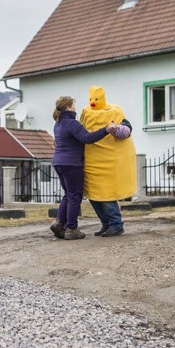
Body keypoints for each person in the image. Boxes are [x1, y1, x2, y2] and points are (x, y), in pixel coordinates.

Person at [49, 96, 115, 240]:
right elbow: (87, 138)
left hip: (58, 162)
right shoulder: (72, 123)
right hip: (71, 164)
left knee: (68, 194)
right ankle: (71, 229)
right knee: (74, 196)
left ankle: (59, 223)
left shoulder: (58, 123)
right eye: (73, 105)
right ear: (68, 107)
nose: (75, 108)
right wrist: (106, 129)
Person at [79, 86, 137, 237]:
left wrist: (115, 129)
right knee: (93, 196)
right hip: (92, 161)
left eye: (95, 100)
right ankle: (105, 223)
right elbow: (80, 130)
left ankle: (116, 224)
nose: (92, 103)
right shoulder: (85, 112)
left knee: (106, 195)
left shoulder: (114, 111)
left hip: (109, 162)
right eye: (91, 99)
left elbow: (127, 130)